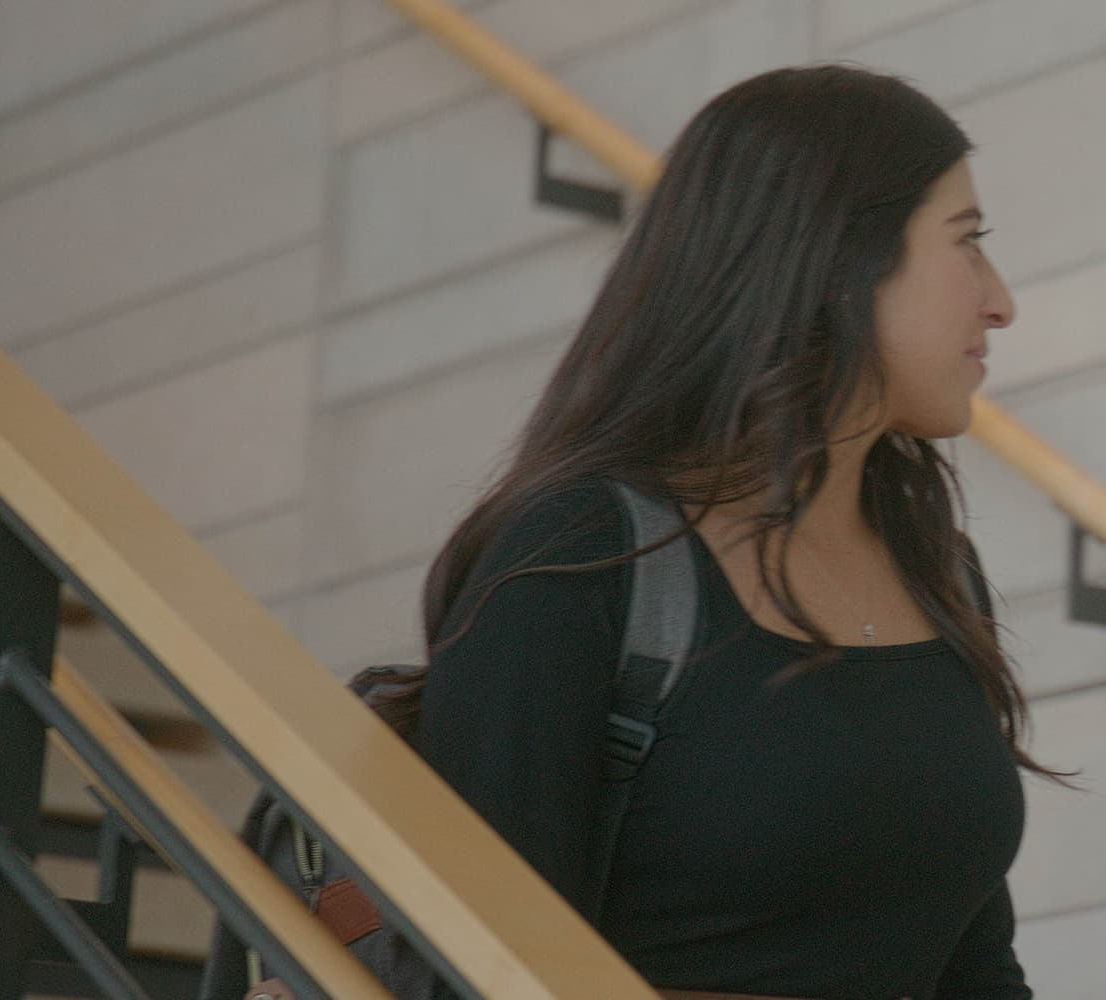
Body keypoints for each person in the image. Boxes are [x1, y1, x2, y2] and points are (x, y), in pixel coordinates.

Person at [413, 66, 1044, 1000]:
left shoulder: (937, 566)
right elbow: (479, 965)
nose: (1000, 301)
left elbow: (973, 965)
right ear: (836, 258)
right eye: (968, 244)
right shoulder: (581, 554)